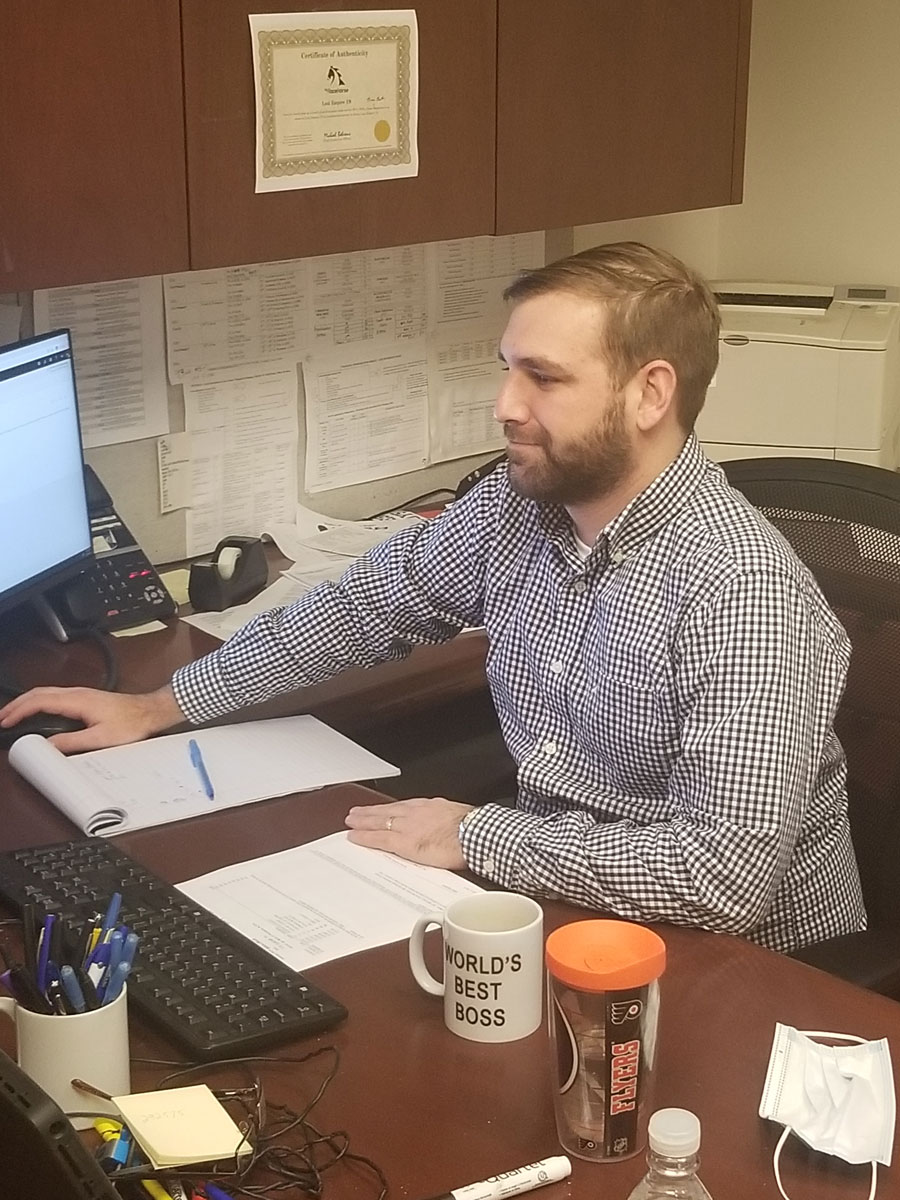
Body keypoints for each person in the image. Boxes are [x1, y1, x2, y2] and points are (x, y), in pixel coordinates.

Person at [0, 242, 865, 954]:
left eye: (544, 378)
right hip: (566, 900)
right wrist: (162, 705)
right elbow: (370, 604)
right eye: (504, 371)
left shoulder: (744, 593)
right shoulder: (520, 509)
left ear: (651, 393)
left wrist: (475, 835)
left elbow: (719, 879)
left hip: (750, 967)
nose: (505, 406)